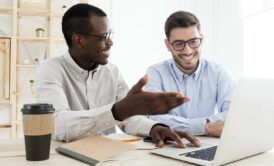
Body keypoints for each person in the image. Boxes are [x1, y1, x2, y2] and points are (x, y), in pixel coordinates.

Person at [34, 4, 201, 148]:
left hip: (108, 157)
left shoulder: (112, 72)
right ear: (78, 41)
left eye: (110, 34)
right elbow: (57, 124)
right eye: (103, 37)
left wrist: (155, 128)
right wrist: (118, 111)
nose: (110, 42)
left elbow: (128, 118)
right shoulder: (49, 70)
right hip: (65, 158)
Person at [145, 11, 235, 137]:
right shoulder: (156, 73)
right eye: (179, 44)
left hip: (210, 143)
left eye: (193, 42)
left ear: (201, 40)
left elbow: (233, 114)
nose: (188, 51)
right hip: (172, 145)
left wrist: (202, 126)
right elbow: (152, 118)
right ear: (168, 45)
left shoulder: (218, 71)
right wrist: (205, 127)